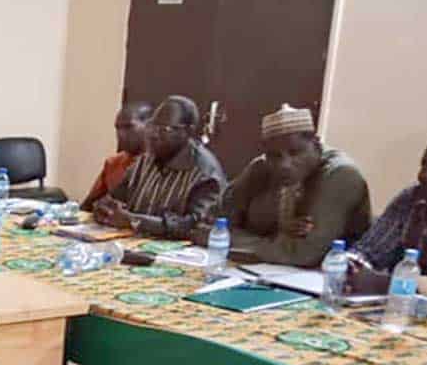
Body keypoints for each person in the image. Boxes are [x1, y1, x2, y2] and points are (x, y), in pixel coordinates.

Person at [214, 104, 372, 266]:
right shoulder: (262, 166)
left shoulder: (341, 174)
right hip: (265, 270)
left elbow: (302, 254)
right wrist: (279, 231)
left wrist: (233, 239)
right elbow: (215, 222)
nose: (285, 164)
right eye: (275, 156)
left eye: (295, 152)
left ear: (316, 145)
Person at [348, 128, 427, 302]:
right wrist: (351, 264)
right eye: (424, 165)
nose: (423, 175)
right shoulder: (412, 198)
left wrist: (394, 285)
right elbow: (370, 250)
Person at [92, 95, 226, 239]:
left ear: (188, 132)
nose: (154, 134)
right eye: (152, 126)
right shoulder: (145, 160)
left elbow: (196, 227)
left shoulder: (205, 174)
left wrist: (134, 221)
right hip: (133, 245)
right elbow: (115, 198)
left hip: (178, 256)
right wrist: (105, 209)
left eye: (164, 129)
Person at [81, 101, 154, 211]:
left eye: (128, 127)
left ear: (150, 127)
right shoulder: (113, 163)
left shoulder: (161, 165)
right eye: (118, 128)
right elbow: (87, 205)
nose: (120, 134)